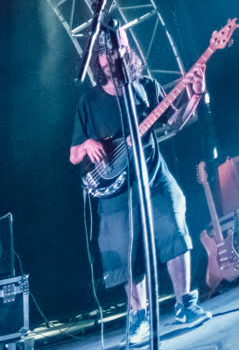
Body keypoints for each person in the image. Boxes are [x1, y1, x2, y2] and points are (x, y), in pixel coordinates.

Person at [70, 39, 212, 346]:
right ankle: (139, 318)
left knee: (175, 228)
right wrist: (87, 144)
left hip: (154, 176)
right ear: (98, 62)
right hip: (116, 191)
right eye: (102, 54)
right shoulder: (89, 102)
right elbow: (73, 155)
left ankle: (185, 305)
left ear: (125, 52)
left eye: (113, 51)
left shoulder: (145, 86)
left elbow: (175, 122)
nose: (108, 58)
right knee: (126, 255)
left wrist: (195, 94)